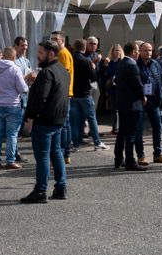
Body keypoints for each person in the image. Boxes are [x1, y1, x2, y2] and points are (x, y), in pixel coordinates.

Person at [21, 40, 71, 203]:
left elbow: (40, 97)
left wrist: (30, 116)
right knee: (56, 153)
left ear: (51, 53)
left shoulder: (47, 72)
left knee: (43, 156)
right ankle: (60, 187)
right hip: (58, 119)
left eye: (41, 52)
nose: (37, 55)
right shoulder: (63, 71)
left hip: (45, 120)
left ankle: (40, 190)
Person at [0, 46, 27, 168]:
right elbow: (22, 88)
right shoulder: (15, 69)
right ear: (14, 57)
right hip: (13, 104)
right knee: (12, 134)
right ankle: (10, 161)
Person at [111, 42, 146, 171]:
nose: (138, 53)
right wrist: (143, 97)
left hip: (122, 103)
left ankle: (118, 159)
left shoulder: (120, 64)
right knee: (131, 134)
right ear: (132, 51)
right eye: (137, 50)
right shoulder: (132, 65)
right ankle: (130, 161)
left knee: (122, 134)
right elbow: (137, 84)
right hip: (132, 104)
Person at [69, 39, 106, 152]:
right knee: (91, 118)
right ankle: (97, 142)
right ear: (84, 48)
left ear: (74, 48)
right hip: (85, 93)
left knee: (74, 120)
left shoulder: (70, 59)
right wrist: (93, 66)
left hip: (73, 94)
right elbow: (94, 77)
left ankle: (76, 144)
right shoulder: (85, 61)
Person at [135, 41, 162, 165]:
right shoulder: (136, 65)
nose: (148, 53)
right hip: (140, 101)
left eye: (150, 50)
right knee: (139, 129)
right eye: (145, 50)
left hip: (153, 100)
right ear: (140, 52)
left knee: (157, 128)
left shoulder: (155, 64)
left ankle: (158, 154)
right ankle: (141, 155)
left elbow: (161, 78)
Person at [50, 31, 75, 160]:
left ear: (62, 41)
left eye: (56, 39)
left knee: (64, 124)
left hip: (63, 93)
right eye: (52, 38)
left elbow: (62, 73)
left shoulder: (63, 54)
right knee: (65, 124)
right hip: (64, 93)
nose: (53, 41)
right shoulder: (62, 53)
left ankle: (63, 152)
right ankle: (65, 153)